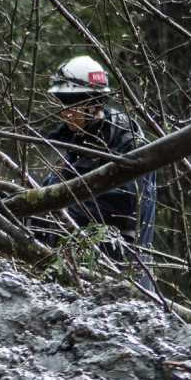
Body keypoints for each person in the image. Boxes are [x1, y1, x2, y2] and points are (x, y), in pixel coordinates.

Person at [43, 54, 156, 287]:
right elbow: (47, 191)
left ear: (94, 102)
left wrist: (55, 212)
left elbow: (122, 204)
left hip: (120, 273)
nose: (65, 112)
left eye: (70, 102)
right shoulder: (72, 144)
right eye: (62, 101)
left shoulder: (129, 146)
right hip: (75, 268)